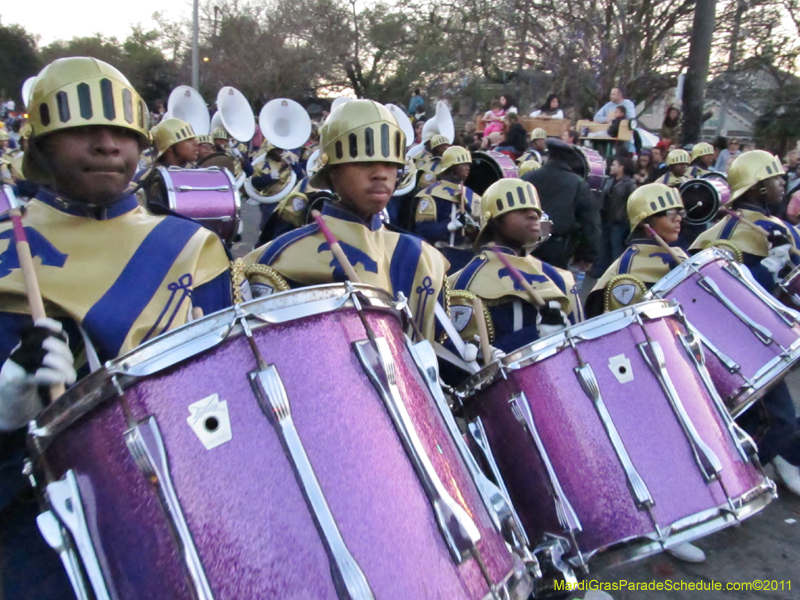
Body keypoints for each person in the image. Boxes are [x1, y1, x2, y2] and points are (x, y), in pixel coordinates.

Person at [0, 56, 233, 600]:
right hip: (31, 525)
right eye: (82, 131)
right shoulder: (7, 252)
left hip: (176, 507)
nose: (108, 145)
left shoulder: (192, 248)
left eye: (124, 134)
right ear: (41, 145)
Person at [244, 99, 450, 342]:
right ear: (332, 170)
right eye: (364, 162)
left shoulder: (424, 257)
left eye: (390, 164)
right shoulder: (279, 257)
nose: (381, 174)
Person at [690, 150, 800, 498]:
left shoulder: (739, 226)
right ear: (758, 186)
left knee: (753, 419)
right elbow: (731, 295)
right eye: (775, 177)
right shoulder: (746, 231)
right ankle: (727, 489)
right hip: (749, 343)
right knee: (776, 421)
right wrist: (770, 271)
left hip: (751, 341)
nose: (783, 182)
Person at [448, 179, 580, 353]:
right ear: (493, 220)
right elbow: (460, 363)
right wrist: (534, 336)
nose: (534, 215)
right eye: (520, 210)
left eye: (536, 211)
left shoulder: (555, 276)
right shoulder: (465, 281)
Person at [523, 139, 600, 270]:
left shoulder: (528, 178)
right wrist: (588, 256)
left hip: (528, 244)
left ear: (548, 156)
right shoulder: (577, 184)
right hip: (558, 249)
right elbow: (590, 223)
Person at [414, 146, 480, 273]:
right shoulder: (431, 193)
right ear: (452, 167)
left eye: (468, 164)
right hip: (440, 255)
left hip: (466, 257)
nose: (468, 167)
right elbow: (422, 229)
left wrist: (473, 229)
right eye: (463, 164)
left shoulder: (472, 196)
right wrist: (450, 226)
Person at [590, 156, 636, 278]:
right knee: (603, 247)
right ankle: (601, 271)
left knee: (616, 248)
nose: (611, 167)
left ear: (622, 167)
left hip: (619, 222)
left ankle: (618, 274)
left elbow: (632, 202)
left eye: (614, 165)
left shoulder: (629, 183)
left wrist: (625, 217)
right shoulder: (609, 180)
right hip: (606, 219)